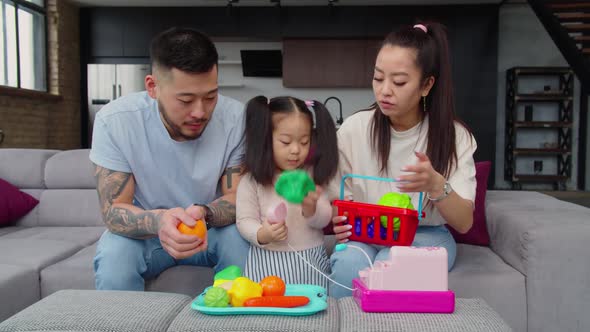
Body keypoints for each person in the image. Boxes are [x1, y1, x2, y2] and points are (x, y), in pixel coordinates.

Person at [90, 27, 249, 291]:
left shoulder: (236, 119)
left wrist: (206, 213)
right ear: (153, 87)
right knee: (114, 256)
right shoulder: (115, 121)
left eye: (210, 97)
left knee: (240, 240)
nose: (200, 112)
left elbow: (237, 198)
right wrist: (160, 222)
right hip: (146, 236)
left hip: (211, 231)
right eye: (185, 100)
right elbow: (114, 210)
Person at [328, 22, 477, 298]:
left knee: (392, 259)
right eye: (378, 78)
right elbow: (339, 202)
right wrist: (342, 220)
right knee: (349, 263)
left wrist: (436, 185)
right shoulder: (353, 129)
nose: (384, 90)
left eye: (398, 82)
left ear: (426, 85)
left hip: (426, 236)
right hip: (368, 234)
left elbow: (465, 222)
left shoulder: (455, 136)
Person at [236, 96, 338, 289]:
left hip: (310, 262)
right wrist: (262, 234)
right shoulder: (252, 181)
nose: (295, 150)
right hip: (267, 262)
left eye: (304, 142)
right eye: (285, 142)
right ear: (265, 139)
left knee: (312, 310)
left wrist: (311, 209)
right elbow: (244, 220)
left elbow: (324, 219)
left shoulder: (311, 175)